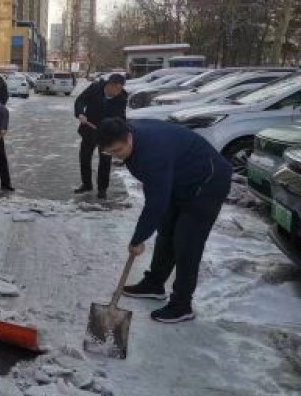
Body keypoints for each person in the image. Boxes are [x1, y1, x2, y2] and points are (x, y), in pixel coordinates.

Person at [96, 118, 232, 323]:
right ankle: (154, 284)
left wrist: (138, 239)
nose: (115, 156)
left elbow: (156, 203)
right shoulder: (132, 137)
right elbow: (155, 189)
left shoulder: (152, 152)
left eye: (118, 150)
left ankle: (182, 305)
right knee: (166, 230)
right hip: (178, 179)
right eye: (110, 152)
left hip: (208, 182)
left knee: (186, 242)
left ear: (129, 138)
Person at [73, 73, 128, 200]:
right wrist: (80, 113)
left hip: (106, 133)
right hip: (89, 129)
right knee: (85, 158)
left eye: (121, 89)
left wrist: (119, 132)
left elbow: (120, 117)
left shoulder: (122, 97)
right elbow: (80, 100)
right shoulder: (95, 88)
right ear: (110, 85)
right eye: (117, 89)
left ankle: (102, 189)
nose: (118, 92)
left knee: (105, 161)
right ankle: (86, 185)